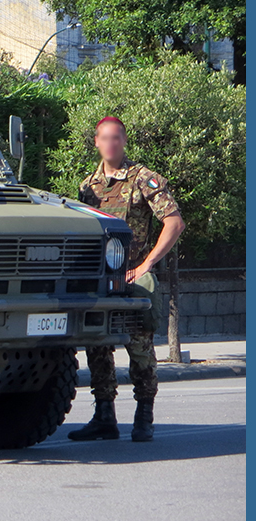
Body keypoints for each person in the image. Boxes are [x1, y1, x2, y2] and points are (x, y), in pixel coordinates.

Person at [68, 116, 185, 442]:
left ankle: (143, 416)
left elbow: (174, 222)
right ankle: (104, 416)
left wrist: (148, 263)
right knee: (97, 347)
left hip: (132, 278)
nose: (111, 144)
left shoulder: (143, 178)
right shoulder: (87, 186)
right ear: (96, 142)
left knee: (140, 348)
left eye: (117, 138)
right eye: (105, 138)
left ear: (124, 141)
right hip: (101, 281)